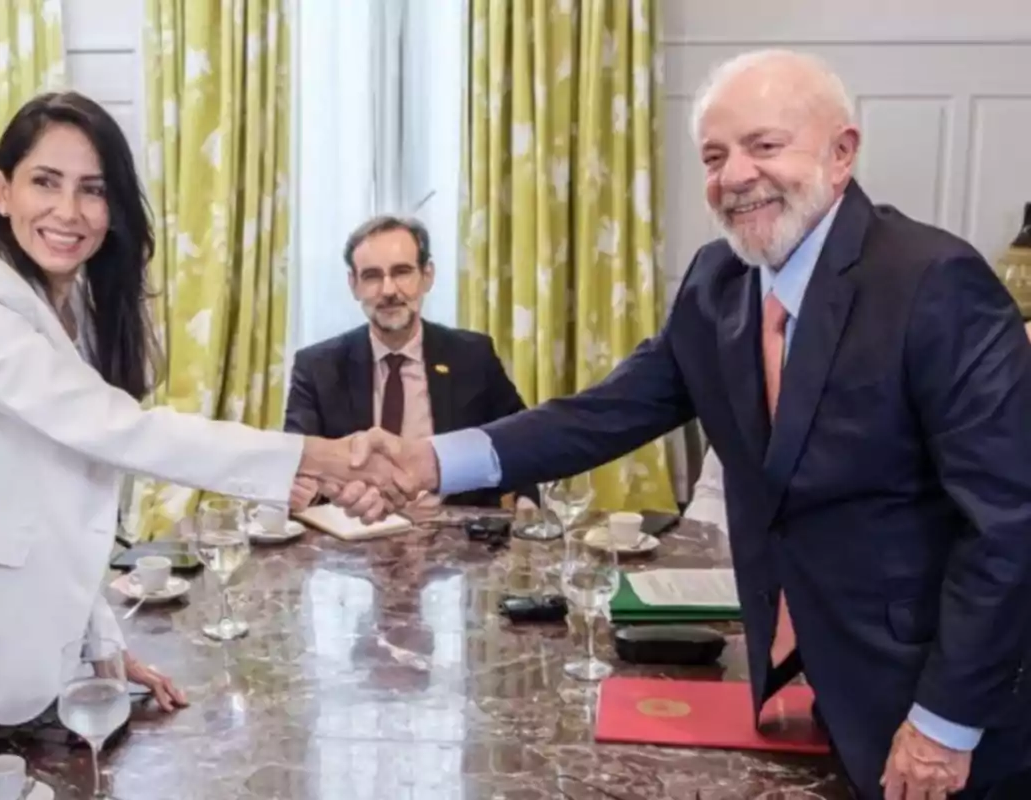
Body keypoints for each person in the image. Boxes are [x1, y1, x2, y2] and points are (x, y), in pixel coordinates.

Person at [342, 50, 1031, 799]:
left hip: (943, 705)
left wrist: (943, 724)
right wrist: (426, 462)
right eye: (714, 155)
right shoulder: (717, 282)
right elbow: (604, 414)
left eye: (765, 146)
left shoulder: (934, 283)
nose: (735, 175)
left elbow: (1007, 525)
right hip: (814, 688)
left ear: (842, 153)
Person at [0, 91, 402, 799]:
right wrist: (315, 455)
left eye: (92, 190)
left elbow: (60, 508)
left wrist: (100, 648)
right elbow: (116, 428)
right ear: (1, 189)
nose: (69, 212)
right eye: (46, 181)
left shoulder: (68, 306)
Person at [284, 214, 536, 509]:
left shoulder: (473, 356)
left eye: (402, 272)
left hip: (456, 536)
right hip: (353, 536)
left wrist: (528, 500)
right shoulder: (317, 366)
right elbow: (298, 461)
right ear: (354, 284)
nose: (389, 290)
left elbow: (522, 442)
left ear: (426, 276)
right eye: (372, 276)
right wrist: (302, 490)